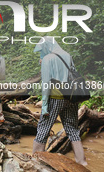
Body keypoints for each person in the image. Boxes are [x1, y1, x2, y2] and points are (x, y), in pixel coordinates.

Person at [32, 36, 87, 166]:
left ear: (46, 46)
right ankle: (82, 163)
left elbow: (46, 84)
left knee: (43, 130)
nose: (40, 53)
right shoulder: (67, 55)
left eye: (41, 50)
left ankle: (34, 162)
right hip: (71, 97)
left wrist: (44, 106)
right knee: (73, 130)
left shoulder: (47, 59)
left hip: (55, 98)